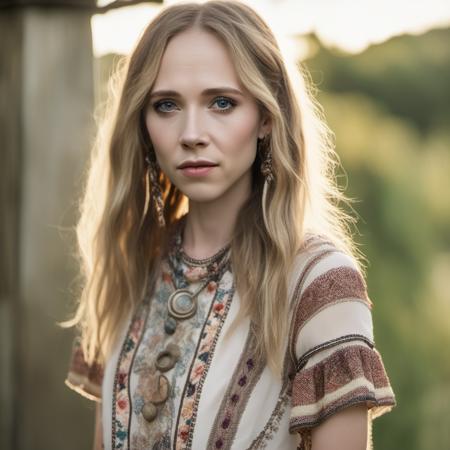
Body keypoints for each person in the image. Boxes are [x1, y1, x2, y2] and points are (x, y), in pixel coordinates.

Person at [63, 1, 396, 449]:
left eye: (222, 102)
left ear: (265, 117)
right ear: (142, 124)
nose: (192, 132)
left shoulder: (319, 284)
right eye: (166, 105)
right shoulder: (128, 269)